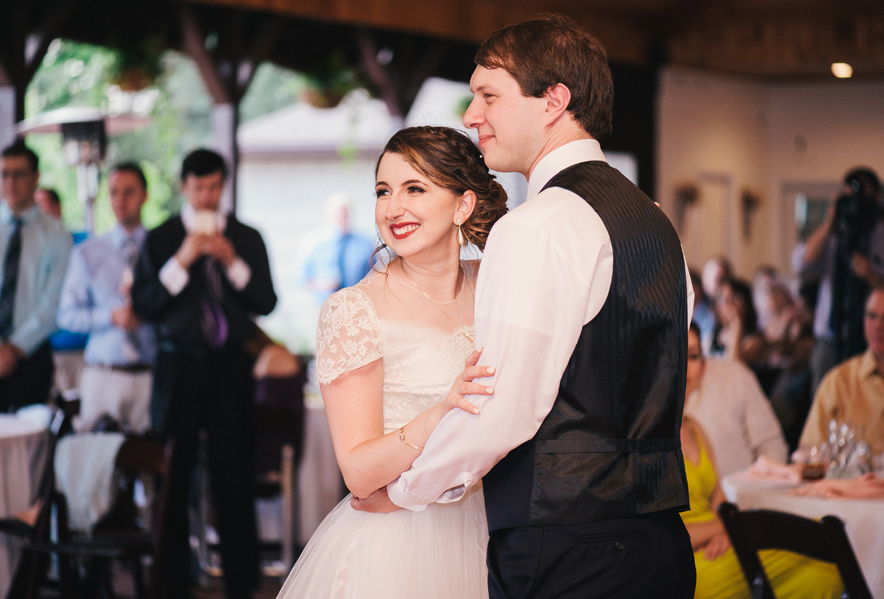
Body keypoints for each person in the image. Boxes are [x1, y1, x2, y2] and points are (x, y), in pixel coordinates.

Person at [370, 16, 696, 598]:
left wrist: (404, 491)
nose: (471, 116)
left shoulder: (539, 226)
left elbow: (504, 407)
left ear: (553, 101)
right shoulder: (655, 223)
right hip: (661, 542)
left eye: (488, 95)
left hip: (568, 547)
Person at [277, 126, 508, 598]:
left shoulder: (496, 283)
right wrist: (442, 412)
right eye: (383, 191)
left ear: (463, 205)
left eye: (415, 189)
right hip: (397, 546)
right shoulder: (354, 309)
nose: (393, 208)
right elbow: (358, 474)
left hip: (493, 532)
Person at [131, 148, 276, 599]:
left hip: (230, 369)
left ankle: (242, 583)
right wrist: (183, 259)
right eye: (199, 188)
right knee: (174, 477)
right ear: (184, 188)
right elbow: (144, 305)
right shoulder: (161, 238)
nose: (208, 196)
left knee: (233, 475)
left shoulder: (247, 236)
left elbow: (266, 302)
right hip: (177, 368)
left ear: (223, 185)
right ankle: (172, 582)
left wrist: (232, 260)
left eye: (215, 187)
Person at [679, 414, 843, 599]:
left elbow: (719, 502)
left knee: (824, 571)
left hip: (719, 543)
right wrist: (727, 527)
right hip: (687, 558)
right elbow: (663, 538)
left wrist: (725, 534)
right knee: (819, 547)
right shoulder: (646, 437)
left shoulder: (693, 426)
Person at [57, 163, 156, 432]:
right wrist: (110, 316)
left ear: (144, 195)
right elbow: (66, 315)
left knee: (149, 462)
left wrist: (146, 316)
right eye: (114, 192)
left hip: (150, 372)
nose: (120, 200)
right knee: (98, 463)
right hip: (104, 372)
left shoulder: (160, 249)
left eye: (128, 192)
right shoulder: (88, 252)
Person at [0, 141, 72, 412]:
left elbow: (54, 300)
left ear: (35, 177)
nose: (10, 182)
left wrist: (14, 348)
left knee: (30, 447)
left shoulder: (57, 235)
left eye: (19, 174)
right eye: (4, 174)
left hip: (31, 356)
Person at [792, 167, 884, 394]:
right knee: (825, 403)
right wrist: (831, 219)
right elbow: (803, 262)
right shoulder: (834, 234)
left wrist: (872, 276)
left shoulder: (880, 233)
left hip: (871, 338)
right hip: (829, 339)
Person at [684, 323, 788, 478]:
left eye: (693, 356)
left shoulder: (734, 378)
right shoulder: (647, 406)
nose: (684, 367)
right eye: (675, 356)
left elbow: (772, 446)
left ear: (704, 362)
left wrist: (754, 494)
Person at [798, 285, 884, 454]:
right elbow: (809, 451)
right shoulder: (839, 381)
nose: (878, 325)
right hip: (855, 478)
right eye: (872, 316)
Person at [299, 193, 376, 304]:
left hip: (356, 306)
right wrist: (320, 284)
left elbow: (376, 276)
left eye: (345, 213)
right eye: (338, 214)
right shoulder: (315, 243)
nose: (341, 217)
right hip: (324, 307)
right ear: (329, 214)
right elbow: (300, 278)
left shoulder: (365, 244)